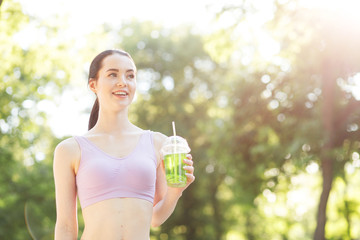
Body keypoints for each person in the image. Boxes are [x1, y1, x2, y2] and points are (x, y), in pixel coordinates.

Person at [53, 49, 195, 240]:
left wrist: (176, 191)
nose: (123, 82)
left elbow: (155, 217)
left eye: (130, 76)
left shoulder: (158, 143)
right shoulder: (69, 150)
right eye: (112, 74)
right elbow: (65, 227)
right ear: (93, 84)